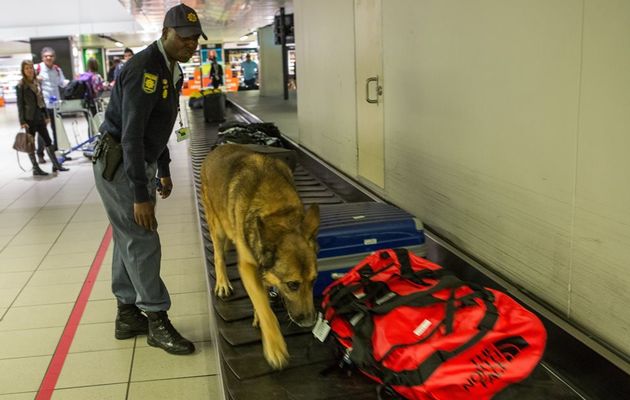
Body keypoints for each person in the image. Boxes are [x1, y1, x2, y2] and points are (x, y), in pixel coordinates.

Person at [93, 3, 207, 355]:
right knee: (142, 237)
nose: (192, 45)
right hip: (121, 163)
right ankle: (156, 320)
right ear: (166, 34)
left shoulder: (171, 69)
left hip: (137, 161)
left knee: (128, 237)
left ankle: (127, 314)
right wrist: (141, 194)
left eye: (195, 39)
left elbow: (158, 128)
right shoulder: (144, 69)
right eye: (185, 38)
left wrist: (165, 167)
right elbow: (131, 135)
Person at [16, 60, 69, 175]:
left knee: (48, 141)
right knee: (31, 143)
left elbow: (42, 99)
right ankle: (36, 168)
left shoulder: (37, 82)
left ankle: (56, 165)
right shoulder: (21, 85)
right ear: (23, 71)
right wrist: (22, 121)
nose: (29, 70)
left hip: (40, 116)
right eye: (26, 68)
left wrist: (46, 115)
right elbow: (20, 104)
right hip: (29, 119)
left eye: (30, 68)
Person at [36, 47, 67, 157]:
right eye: (46, 56)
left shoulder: (57, 69)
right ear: (42, 57)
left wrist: (73, 82)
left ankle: (57, 152)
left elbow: (62, 83)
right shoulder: (38, 68)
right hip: (43, 105)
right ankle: (40, 153)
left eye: (51, 56)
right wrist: (35, 79)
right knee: (42, 130)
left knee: (57, 129)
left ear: (54, 57)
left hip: (55, 104)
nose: (48, 58)